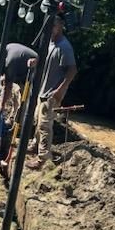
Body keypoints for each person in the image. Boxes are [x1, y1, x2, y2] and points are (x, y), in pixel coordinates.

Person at [28, 16, 76, 168]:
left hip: (52, 94)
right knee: (38, 121)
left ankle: (42, 159)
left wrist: (60, 90)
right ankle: (34, 145)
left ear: (60, 26)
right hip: (42, 90)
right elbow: (45, 60)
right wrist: (35, 62)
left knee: (44, 126)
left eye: (53, 25)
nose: (50, 29)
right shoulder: (50, 43)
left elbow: (72, 70)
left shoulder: (64, 47)